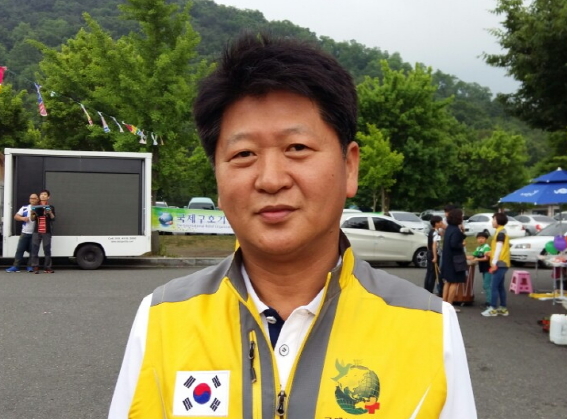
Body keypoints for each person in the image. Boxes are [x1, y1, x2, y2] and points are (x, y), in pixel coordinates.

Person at [108, 34, 476, 418]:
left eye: (297, 148)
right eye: (243, 153)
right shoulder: (161, 319)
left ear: (349, 167)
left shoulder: (429, 327)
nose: (270, 179)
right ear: (217, 176)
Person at [482, 212, 510, 317]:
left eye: (494, 219)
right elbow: (498, 249)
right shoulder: (500, 231)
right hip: (502, 262)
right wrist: (490, 253)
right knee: (500, 286)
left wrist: (494, 263)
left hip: (499, 263)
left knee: (493, 286)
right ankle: (503, 308)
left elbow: (499, 249)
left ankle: (493, 308)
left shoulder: (500, 233)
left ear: (499, 221)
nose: (492, 222)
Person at [441, 209, 467, 311]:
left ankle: (444, 304)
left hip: (447, 258)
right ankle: (449, 305)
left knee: (447, 281)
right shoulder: (455, 230)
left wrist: (462, 231)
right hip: (455, 259)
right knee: (454, 282)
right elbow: (454, 244)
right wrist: (462, 244)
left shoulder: (449, 228)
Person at [6, 193, 40, 273]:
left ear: (37, 199)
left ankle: (30, 266)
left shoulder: (39, 208)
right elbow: (16, 216)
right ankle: (16, 266)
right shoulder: (24, 208)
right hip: (24, 232)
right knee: (20, 250)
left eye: (34, 198)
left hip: (35, 233)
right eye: (31, 198)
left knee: (33, 251)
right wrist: (22, 218)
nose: (32, 200)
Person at [29, 189, 55, 274]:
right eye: (41, 194)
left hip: (47, 231)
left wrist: (50, 212)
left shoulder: (51, 207)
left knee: (47, 250)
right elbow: (32, 219)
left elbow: (53, 218)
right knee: (34, 249)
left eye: (45, 194)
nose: (43, 196)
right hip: (37, 231)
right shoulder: (36, 206)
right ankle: (35, 267)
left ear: (48, 197)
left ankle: (47, 267)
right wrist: (32, 213)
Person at [468, 232, 491, 307]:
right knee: (486, 285)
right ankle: (489, 301)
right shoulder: (479, 248)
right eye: (479, 238)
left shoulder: (486, 247)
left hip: (489, 268)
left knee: (487, 285)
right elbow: (472, 256)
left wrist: (476, 259)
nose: (480, 240)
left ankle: (490, 302)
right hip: (484, 269)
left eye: (482, 238)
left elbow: (486, 258)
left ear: (486, 239)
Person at [424, 215, 444, 294]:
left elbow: (428, 244)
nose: (441, 223)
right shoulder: (435, 233)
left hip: (429, 252)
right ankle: (430, 291)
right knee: (433, 274)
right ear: (436, 223)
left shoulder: (431, 231)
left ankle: (426, 290)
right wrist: (435, 257)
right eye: (440, 222)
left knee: (429, 273)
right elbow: (434, 245)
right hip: (434, 253)